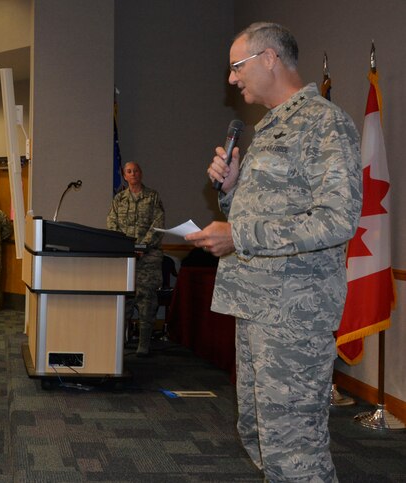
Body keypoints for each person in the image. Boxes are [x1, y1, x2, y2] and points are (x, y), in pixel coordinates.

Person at [185, 23, 362, 482]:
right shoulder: (266, 129)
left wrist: (238, 234)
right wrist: (231, 189)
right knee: (261, 437)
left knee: (296, 451)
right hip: (257, 308)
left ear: (269, 58)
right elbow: (266, 210)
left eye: (236, 67)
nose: (231, 79)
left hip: (294, 316)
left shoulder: (325, 123)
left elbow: (336, 220)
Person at [106, 161, 164, 356]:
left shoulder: (152, 197)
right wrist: (125, 247)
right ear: (124, 175)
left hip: (147, 259)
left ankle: (144, 344)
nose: (133, 174)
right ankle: (120, 342)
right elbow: (112, 224)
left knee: (147, 301)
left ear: (141, 173)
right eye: (129, 171)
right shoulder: (119, 199)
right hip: (125, 258)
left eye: (136, 171)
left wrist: (141, 247)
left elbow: (158, 225)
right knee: (124, 302)